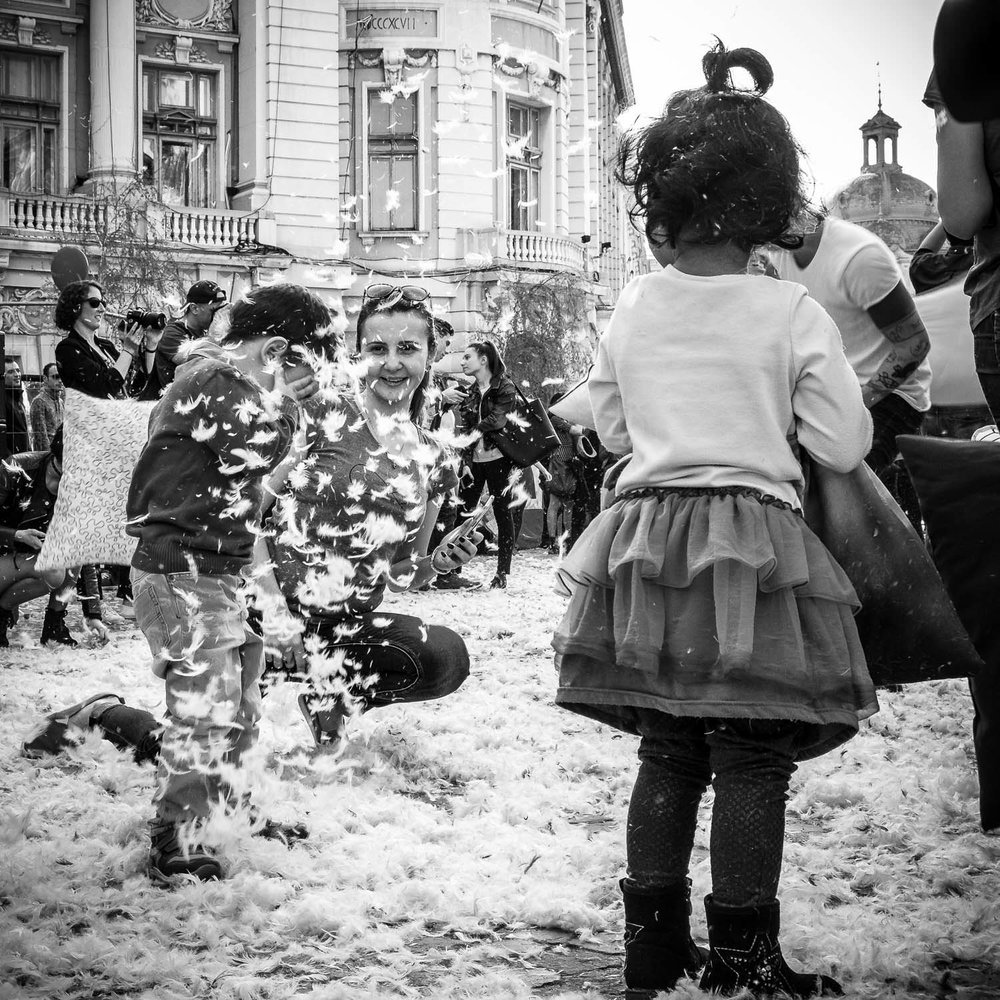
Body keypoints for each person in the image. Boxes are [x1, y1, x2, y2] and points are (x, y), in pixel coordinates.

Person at [552, 42, 876, 998]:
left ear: (662, 204)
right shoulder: (787, 312)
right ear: (769, 206)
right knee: (750, 754)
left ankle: (652, 946)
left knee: (669, 746)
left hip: (648, 542)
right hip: (755, 547)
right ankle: (744, 956)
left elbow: (611, 420)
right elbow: (844, 442)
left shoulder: (636, 304)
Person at [126, 281, 332, 886]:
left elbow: (250, 491)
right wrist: (293, 408)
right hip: (179, 572)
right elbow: (260, 449)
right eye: (304, 365)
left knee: (240, 705)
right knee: (203, 708)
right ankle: (180, 830)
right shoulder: (213, 382)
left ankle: (229, 804)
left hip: (217, 569)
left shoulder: (228, 386)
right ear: (276, 351)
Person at [257, 282, 475, 746]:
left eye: (408, 348)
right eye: (378, 348)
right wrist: (276, 616)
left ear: (430, 354)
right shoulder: (320, 413)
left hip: (343, 629)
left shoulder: (437, 458)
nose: (392, 362)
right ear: (359, 354)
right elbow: (246, 513)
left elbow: (401, 574)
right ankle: (104, 715)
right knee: (200, 749)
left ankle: (331, 696)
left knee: (444, 657)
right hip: (261, 615)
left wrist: (435, 565)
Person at [768, 214, 931, 485]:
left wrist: (851, 404)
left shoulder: (857, 256)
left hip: (891, 395)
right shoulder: (778, 254)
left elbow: (914, 345)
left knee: (838, 484)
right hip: (828, 391)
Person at [0, 429, 88, 647]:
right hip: (5, 553)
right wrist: (16, 535)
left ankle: (53, 626)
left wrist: (93, 614)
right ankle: (2, 610)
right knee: (54, 570)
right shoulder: (17, 468)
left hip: (23, 560)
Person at [909, 222, 991, 440]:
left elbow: (923, 251)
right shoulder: (990, 270)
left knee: (941, 466)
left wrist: (950, 218)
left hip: (936, 396)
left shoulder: (927, 269)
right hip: (984, 392)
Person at [455, 341, 519, 589]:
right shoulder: (469, 392)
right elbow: (466, 425)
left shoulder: (505, 386)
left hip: (501, 459)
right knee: (464, 513)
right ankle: (453, 570)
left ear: (483, 360)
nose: (462, 361)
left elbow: (497, 420)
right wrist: (466, 459)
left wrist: (472, 433)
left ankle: (502, 573)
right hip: (475, 462)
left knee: (503, 514)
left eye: (467, 357)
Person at [137, 279, 228, 401]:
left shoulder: (203, 333)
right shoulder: (171, 333)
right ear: (194, 308)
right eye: (214, 311)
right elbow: (202, 367)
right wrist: (216, 332)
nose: (217, 317)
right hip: (161, 408)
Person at [29, 363, 64, 451]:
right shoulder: (39, 401)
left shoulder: (60, 401)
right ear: (45, 379)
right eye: (55, 377)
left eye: (61, 377)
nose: (60, 380)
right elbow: (41, 438)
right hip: (47, 458)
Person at [2, 357, 30, 455]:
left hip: (22, 455)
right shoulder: (3, 401)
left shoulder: (17, 398)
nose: (17, 375)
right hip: (10, 459)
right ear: (3, 376)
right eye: (11, 372)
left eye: (18, 370)